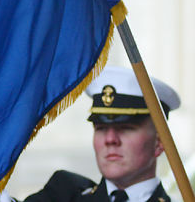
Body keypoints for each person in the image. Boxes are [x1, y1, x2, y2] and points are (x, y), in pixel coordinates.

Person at [22, 65, 180, 202]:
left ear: (160, 142)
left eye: (126, 128)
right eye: (101, 128)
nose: (110, 139)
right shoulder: (62, 195)